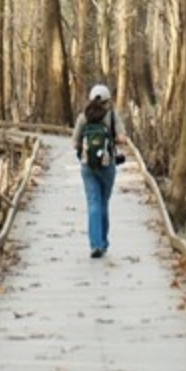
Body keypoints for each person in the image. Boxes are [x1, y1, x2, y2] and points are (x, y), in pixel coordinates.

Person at [72, 84, 127, 259]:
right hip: (106, 164)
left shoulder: (83, 117)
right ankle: (103, 242)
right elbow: (122, 138)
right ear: (107, 99)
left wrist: (84, 145)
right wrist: (114, 140)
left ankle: (95, 244)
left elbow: (74, 143)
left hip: (87, 165)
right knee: (103, 201)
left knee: (93, 202)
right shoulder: (112, 116)